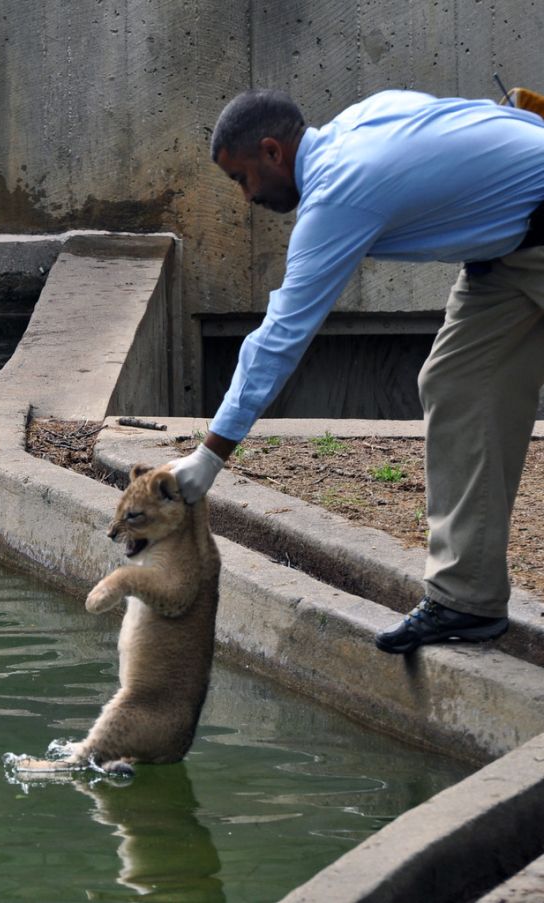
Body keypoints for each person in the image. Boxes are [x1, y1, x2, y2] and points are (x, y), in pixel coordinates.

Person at [170, 87, 544, 654]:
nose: (246, 196)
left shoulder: (338, 195)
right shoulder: (366, 114)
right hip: (508, 251)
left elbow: (280, 337)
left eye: (242, 178)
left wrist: (211, 455)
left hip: (529, 226)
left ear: (273, 152)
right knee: (458, 384)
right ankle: (465, 601)